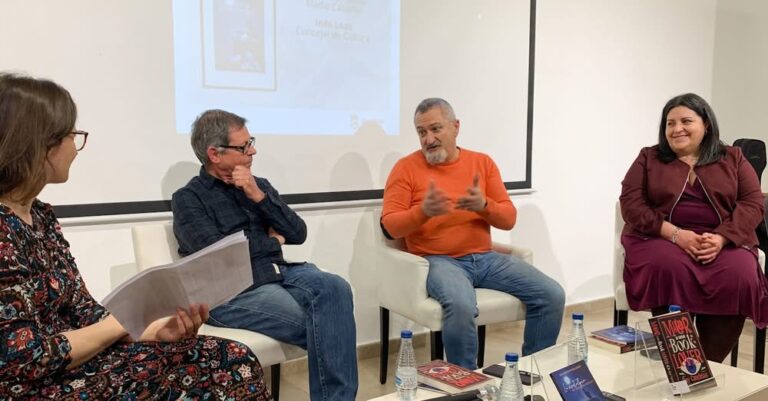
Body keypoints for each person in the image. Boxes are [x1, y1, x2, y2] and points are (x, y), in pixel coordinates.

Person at [0, 73, 271, 400]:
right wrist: (127, 322)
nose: (77, 145)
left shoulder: (41, 216)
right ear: (40, 144)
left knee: (231, 356)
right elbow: (22, 359)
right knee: (220, 368)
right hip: (39, 383)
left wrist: (157, 330)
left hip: (74, 362)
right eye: (72, 134)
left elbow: (86, 312)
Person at [172, 109, 358, 401]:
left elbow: (297, 233)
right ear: (215, 154)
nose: (253, 150)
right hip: (232, 291)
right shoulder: (188, 199)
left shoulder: (258, 186)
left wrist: (258, 196)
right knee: (329, 322)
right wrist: (273, 241)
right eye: (244, 146)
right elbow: (221, 255)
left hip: (280, 273)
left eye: (251, 141)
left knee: (336, 287)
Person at [381, 98, 565, 369]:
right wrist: (423, 212)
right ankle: (465, 385)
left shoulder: (482, 163)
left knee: (552, 294)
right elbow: (390, 226)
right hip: (437, 260)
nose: (428, 139)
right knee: (461, 304)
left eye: (435, 129)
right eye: (422, 132)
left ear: (456, 127)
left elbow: (509, 219)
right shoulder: (406, 168)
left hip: (485, 258)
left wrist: (484, 207)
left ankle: (531, 373)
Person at [620, 92, 768, 362]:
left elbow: (752, 203)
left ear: (706, 124)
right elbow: (631, 204)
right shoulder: (649, 158)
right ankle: (680, 363)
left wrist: (722, 238)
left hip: (723, 237)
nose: (677, 129)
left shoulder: (733, 157)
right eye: (670, 123)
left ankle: (707, 366)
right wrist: (676, 235)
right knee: (667, 266)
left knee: (739, 273)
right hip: (660, 237)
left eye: (686, 121)